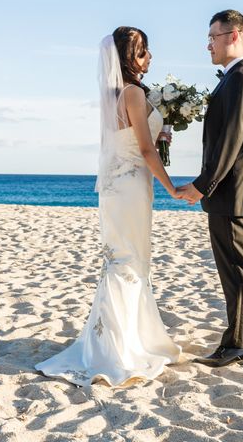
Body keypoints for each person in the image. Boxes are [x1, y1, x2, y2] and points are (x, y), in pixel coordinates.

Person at [35, 27, 181, 387]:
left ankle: (118, 339)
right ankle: (120, 348)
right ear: (132, 57)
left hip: (117, 188)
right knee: (130, 260)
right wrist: (172, 188)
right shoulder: (132, 92)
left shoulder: (111, 94)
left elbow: (129, 138)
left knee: (120, 258)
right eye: (145, 52)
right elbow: (145, 151)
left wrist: (159, 133)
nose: (150, 58)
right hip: (132, 186)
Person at [178, 10, 243, 368]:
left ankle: (237, 344)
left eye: (213, 38)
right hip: (242, 190)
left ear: (234, 36)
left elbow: (230, 142)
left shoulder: (240, 80)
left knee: (237, 268)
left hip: (231, 192)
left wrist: (202, 186)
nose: (208, 46)